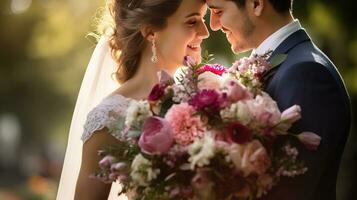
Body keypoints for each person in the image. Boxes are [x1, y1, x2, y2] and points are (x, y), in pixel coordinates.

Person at [56, 0, 209, 199]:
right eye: (192, 22)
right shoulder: (109, 119)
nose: (205, 32)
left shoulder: (206, 97)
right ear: (151, 32)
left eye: (203, 20)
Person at [205, 0, 351, 199]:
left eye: (218, 11)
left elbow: (289, 188)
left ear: (256, 4)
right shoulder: (285, 65)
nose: (213, 24)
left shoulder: (306, 74)